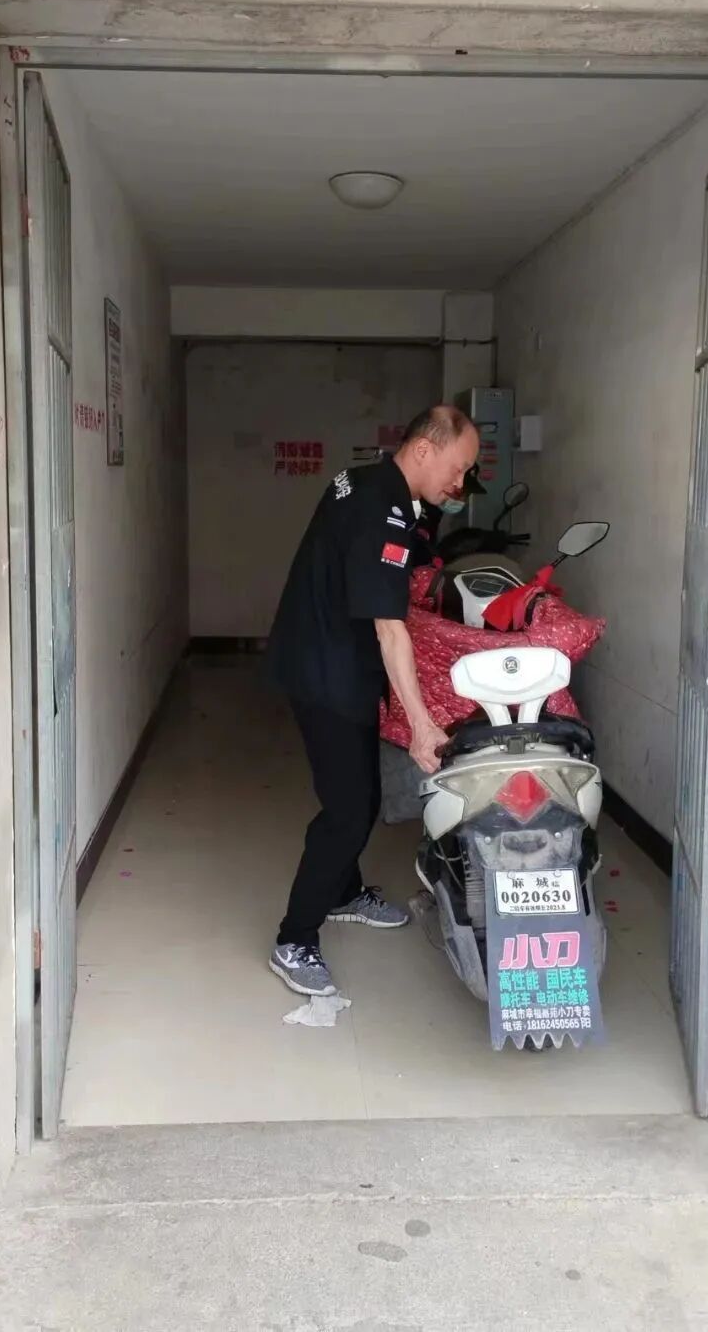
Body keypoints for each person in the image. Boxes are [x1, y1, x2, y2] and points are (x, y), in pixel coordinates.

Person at [265, 405, 482, 996]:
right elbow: (389, 628)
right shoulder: (382, 508)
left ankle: (342, 891)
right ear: (423, 450)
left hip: (334, 659)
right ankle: (294, 938)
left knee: (357, 791)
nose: (460, 482)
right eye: (458, 468)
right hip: (326, 670)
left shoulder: (365, 482)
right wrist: (421, 725)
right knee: (349, 808)